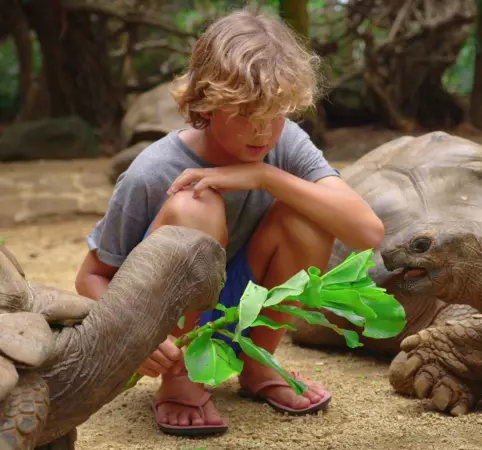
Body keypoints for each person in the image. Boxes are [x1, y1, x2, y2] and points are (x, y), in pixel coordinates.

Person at [74, 9, 384, 437]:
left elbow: (367, 232)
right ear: (205, 103)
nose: (262, 133)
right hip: (169, 320)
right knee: (195, 205)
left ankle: (258, 365)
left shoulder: (285, 144)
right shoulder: (155, 170)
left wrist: (265, 176)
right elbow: (91, 277)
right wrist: (134, 334)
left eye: (275, 115)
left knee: (308, 213)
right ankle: (182, 381)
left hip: (241, 302)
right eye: (244, 115)